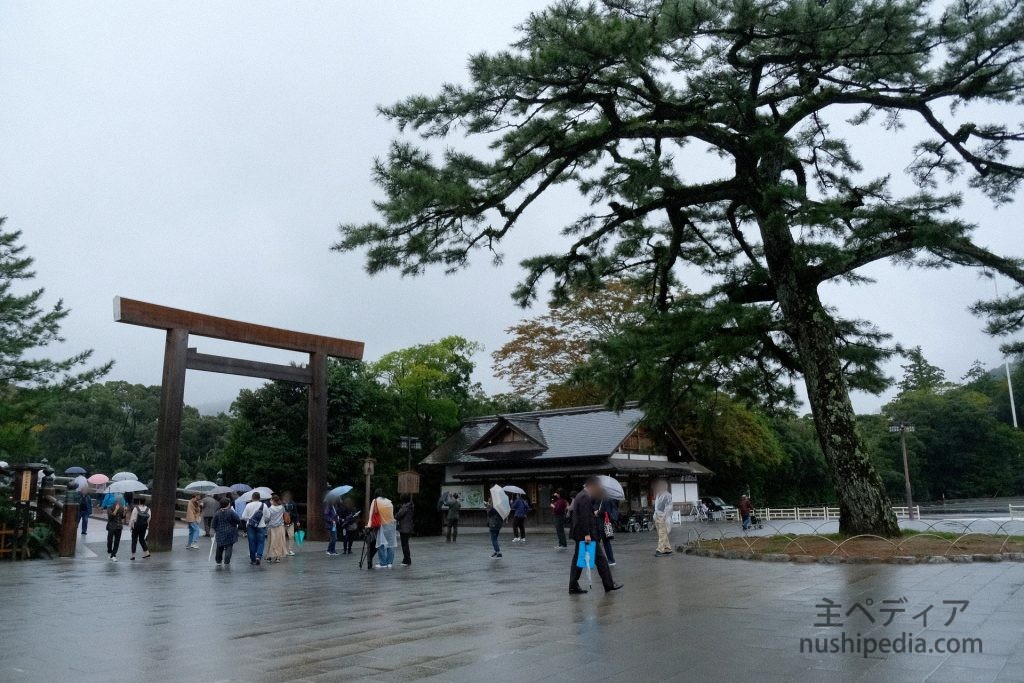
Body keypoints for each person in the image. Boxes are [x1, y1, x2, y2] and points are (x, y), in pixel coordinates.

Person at [568, 477, 622, 594]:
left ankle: (573, 585)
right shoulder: (585, 497)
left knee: (580, 559)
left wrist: (594, 512)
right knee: (601, 559)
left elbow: (585, 513)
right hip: (586, 535)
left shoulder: (582, 496)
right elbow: (583, 518)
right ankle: (609, 584)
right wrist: (587, 534)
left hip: (581, 534)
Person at [241, 491, 268, 565]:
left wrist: (250, 519)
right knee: (261, 542)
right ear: (259, 498)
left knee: (251, 542)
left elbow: (243, 517)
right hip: (261, 526)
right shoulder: (264, 505)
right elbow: (268, 516)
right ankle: (258, 556)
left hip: (250, 526)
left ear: (252, 498)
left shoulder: (248, 505)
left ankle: (253, 559)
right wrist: (263, 521)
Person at [211, 498, 240, 567]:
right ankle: (227, 561)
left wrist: (214, 529)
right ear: (228, 504)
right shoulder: (231, 512)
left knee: (219, 546)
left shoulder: (217, 513)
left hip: (220, 532)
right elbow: (238, 520)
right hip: (230, 532)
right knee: (229, 546)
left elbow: (213, 523)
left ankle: (218, 561)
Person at [374, 492, 397, 569]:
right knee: (391, 544)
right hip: (391, 525)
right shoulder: (389, 502)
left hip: (382, 525)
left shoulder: (376, 502)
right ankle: (389, 563)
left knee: (381, 544)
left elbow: (375, 513)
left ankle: (383, 563)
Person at [653, 480, 674, 557]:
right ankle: (668, 549)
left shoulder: (667, 495)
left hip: (664, 517)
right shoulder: (658, 495)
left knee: (662, 534)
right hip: (657, 516)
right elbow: (656, 507)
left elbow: (669, 507)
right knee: (662, 534)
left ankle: (660, 550)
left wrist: (665, 516)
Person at [265, 494, 287, 563]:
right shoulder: (282, 507)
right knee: (279, 542)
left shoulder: (270, 509)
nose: (270, 501)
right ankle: (278, 557)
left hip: (271, 527)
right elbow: (284, 514)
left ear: (274, 501)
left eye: (271, 500)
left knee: (271, 542)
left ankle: (269, 556)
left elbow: (267, 518)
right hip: (280, 527)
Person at [596, 497, 618, 566]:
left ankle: (611, 560)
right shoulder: (601, 500)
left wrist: (598, 512)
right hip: (601, 523)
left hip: (604, 523)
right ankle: (609, 560)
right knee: (603, 541)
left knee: (606, 541)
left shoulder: (607, 500)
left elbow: (607, 512)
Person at [106, 494, 126, 562]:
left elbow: (122, 517)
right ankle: (109, 551)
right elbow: (111, 516)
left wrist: (125, 511)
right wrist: (116, 509)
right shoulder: (110, 507)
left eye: (121, 500)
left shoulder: (122, 507)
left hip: (119, 526)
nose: (120, 501)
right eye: (120, 500)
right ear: (116, 500)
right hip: (111, 526)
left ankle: (113, 555)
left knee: (117, 541)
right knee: (110, 541)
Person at [396, 493, 415, 567]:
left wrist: (399, 509)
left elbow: (398, 516)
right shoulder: (410, 506)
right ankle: (406, 559)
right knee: (406, 544)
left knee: (404, 545)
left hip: (404, 528)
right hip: (409, 527)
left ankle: (407, 560)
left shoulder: (405, 507)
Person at [282, 491, 299, 556]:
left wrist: (297, 521)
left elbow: (296, 513)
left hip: (291, 522)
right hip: (282, 523)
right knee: (283, 536)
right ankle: (284, 550)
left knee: (291, 536)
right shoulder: (281, 504)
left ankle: (290, 550)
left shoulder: (293, 503)